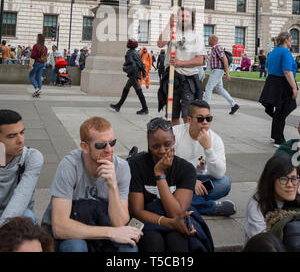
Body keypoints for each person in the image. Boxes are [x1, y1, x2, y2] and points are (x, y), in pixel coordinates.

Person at [41, 117, 143, 252]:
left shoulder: (122, 168)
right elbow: (60, 227)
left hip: (100, 224)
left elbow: (120, 224)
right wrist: (109, 232)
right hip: (73, 230)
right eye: (100, 145)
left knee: (129, 248)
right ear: (85, 147)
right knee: (75, 247)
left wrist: (113, 186)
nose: (109, 149)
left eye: (112, 142)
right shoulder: (70, 165)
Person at [128, 117, 214, 252]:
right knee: (153, 242)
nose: (162, 151)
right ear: (148, 145)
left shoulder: (186, 169)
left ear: (174, 140)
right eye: (155, 146)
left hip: (175, 218)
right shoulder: (136, 166)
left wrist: (160, 175)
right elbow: (137, 211)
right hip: (150, 221)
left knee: (177, 241)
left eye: (167, 144)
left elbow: (176, 213)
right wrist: (168, 223)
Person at [173, 100, 235, 216]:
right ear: (189, 120)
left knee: (224, 183)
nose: (205, 122)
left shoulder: (215, 139)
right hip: (178, 179)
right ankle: (209, 207)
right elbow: (168, 165)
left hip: (201, 181)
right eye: (200, 119)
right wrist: (190, 181)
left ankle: (184, 201)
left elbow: (219, 173)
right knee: (168, 186)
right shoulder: (175, 133)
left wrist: (208, 149)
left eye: (208, 118)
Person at [157, 7, 206, 125]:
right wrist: (169, 23)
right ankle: (177, 140)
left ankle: (188, 140)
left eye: (187, 16)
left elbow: (200, 60)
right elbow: (160, 44)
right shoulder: (173, 34)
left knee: (187, 116)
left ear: (191, 19)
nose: (184, 19)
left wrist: (181, 63)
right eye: (181, 16)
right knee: (172, 115)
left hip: (188, 79)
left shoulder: (197, 37)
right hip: (172, 77)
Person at [0, 110, 44, 226]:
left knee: (27, 216)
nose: (20, 140)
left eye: (21, 133)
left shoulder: (31, 157)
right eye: (11, 136)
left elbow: (21, 198)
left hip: (19, 216)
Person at [244, 154, 300, 243]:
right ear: (271, 180)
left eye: (294, 178)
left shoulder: (297, 190)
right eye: (283, 179)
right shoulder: (257, 205)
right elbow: (262, 243)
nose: (290, 185)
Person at [259, 32, 298, 147]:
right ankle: (279, 140)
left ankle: (274, 135)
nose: (291, 42)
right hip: (283, 83)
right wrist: (294, 87)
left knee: (279, 110)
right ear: (286, 40)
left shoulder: (272, 52)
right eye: (291, 40)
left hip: (272, 82)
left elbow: (266, 69)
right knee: (286, 108)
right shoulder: (285, 52)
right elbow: (287, 71)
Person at [110, 39, 148, 115]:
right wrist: (143, 74)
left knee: (139, 91)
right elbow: (141, 64)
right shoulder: (137, 52)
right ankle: (118, 106)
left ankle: (145, 108)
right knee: (126, 89)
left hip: (133, 74)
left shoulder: (130, 52)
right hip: (135, 74)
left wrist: (124, 67)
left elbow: (129, 62)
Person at [204, 34, 240, 115]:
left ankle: (205, 109)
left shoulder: (217, 47)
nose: (208, 41)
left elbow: (225, 59)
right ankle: (233, 104)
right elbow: (216, 60)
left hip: (217, 71)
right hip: (217, 70)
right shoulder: (214, 48)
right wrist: (207, 57)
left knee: (208, 88)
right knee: (219, 89)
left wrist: (227, 73)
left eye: (209, 39)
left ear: (213, 39)